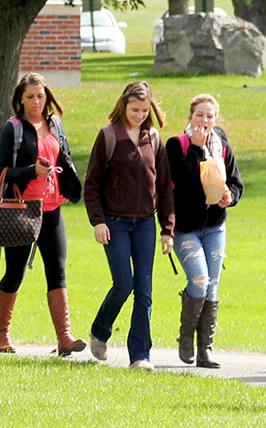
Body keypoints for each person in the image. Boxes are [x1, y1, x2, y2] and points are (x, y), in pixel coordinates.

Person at [0, 73, 87, 356]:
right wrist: (33, 171)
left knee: (57, 270)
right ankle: (1, 334)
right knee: (15, 272)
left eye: (40, 96)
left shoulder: (55, 124)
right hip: (21, 210)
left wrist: (67, 189)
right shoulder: (13, 128)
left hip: (52, 210)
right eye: (29, 97)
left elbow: (63, 159)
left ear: (47, 97)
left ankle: (65, 338)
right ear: (20, 99)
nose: (36, 102)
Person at [84, 80, 175, 371]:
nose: (139, 115)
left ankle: (140, 355)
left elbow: (164, 188)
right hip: (115, 223)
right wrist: (98, 221)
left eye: (144, 110)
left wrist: (167, 229)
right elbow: (92, 184)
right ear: (124, 105)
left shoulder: (155, 139)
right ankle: (100, 330)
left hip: (146, 224)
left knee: (144, 290)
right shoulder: (108, 136)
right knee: (124, 283)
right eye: (135, 109)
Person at [166, 93, 242, 369]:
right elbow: (177, 180)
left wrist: (230, 197)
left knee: (212, 285)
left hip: (214, 226)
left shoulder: (222, 146)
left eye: (210, 116)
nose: (204, 120)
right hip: (186, 229)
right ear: (190, 117)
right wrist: (196, 150)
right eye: (199, 114)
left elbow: (236, 183)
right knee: (199, 280)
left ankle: (205, 349)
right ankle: (186, 338)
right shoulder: (177, 145)